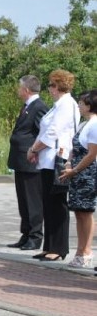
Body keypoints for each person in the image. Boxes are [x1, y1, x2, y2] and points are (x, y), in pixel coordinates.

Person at [27, 69, 79, 262]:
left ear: (57, 86)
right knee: (48, 204)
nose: (49, 88)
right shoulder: (58, 105)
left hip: (57, 158)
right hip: (47, 159)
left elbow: (52, 133)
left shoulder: (66, 105)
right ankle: (49, 245)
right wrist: (35, 149)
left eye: (50, 85)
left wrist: (34, 149)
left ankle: (59, 247)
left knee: (57, 204)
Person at [6, 75, 49, 251]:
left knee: (33, 201)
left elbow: (42, 133)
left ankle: (35, 236)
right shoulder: (27, 106)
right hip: (21, 161)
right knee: (23, 200)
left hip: (30, 162)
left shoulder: (39, 107)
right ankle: (26, 233)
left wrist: (34, 150)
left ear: (26, 90)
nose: (18, 91)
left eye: (19, 88)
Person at [58, 90, 97, 268]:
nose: (79, 106)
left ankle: (87, 251)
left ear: (90, 105)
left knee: (86, 211)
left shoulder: (95, 124)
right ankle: (80, 250)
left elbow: (92, 154)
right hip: (76, 172)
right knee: (79, 212)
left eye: (81, 103)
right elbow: (75, 149)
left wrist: (75, 170)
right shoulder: (83, 124)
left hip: (87, 174)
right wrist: (68, 163)